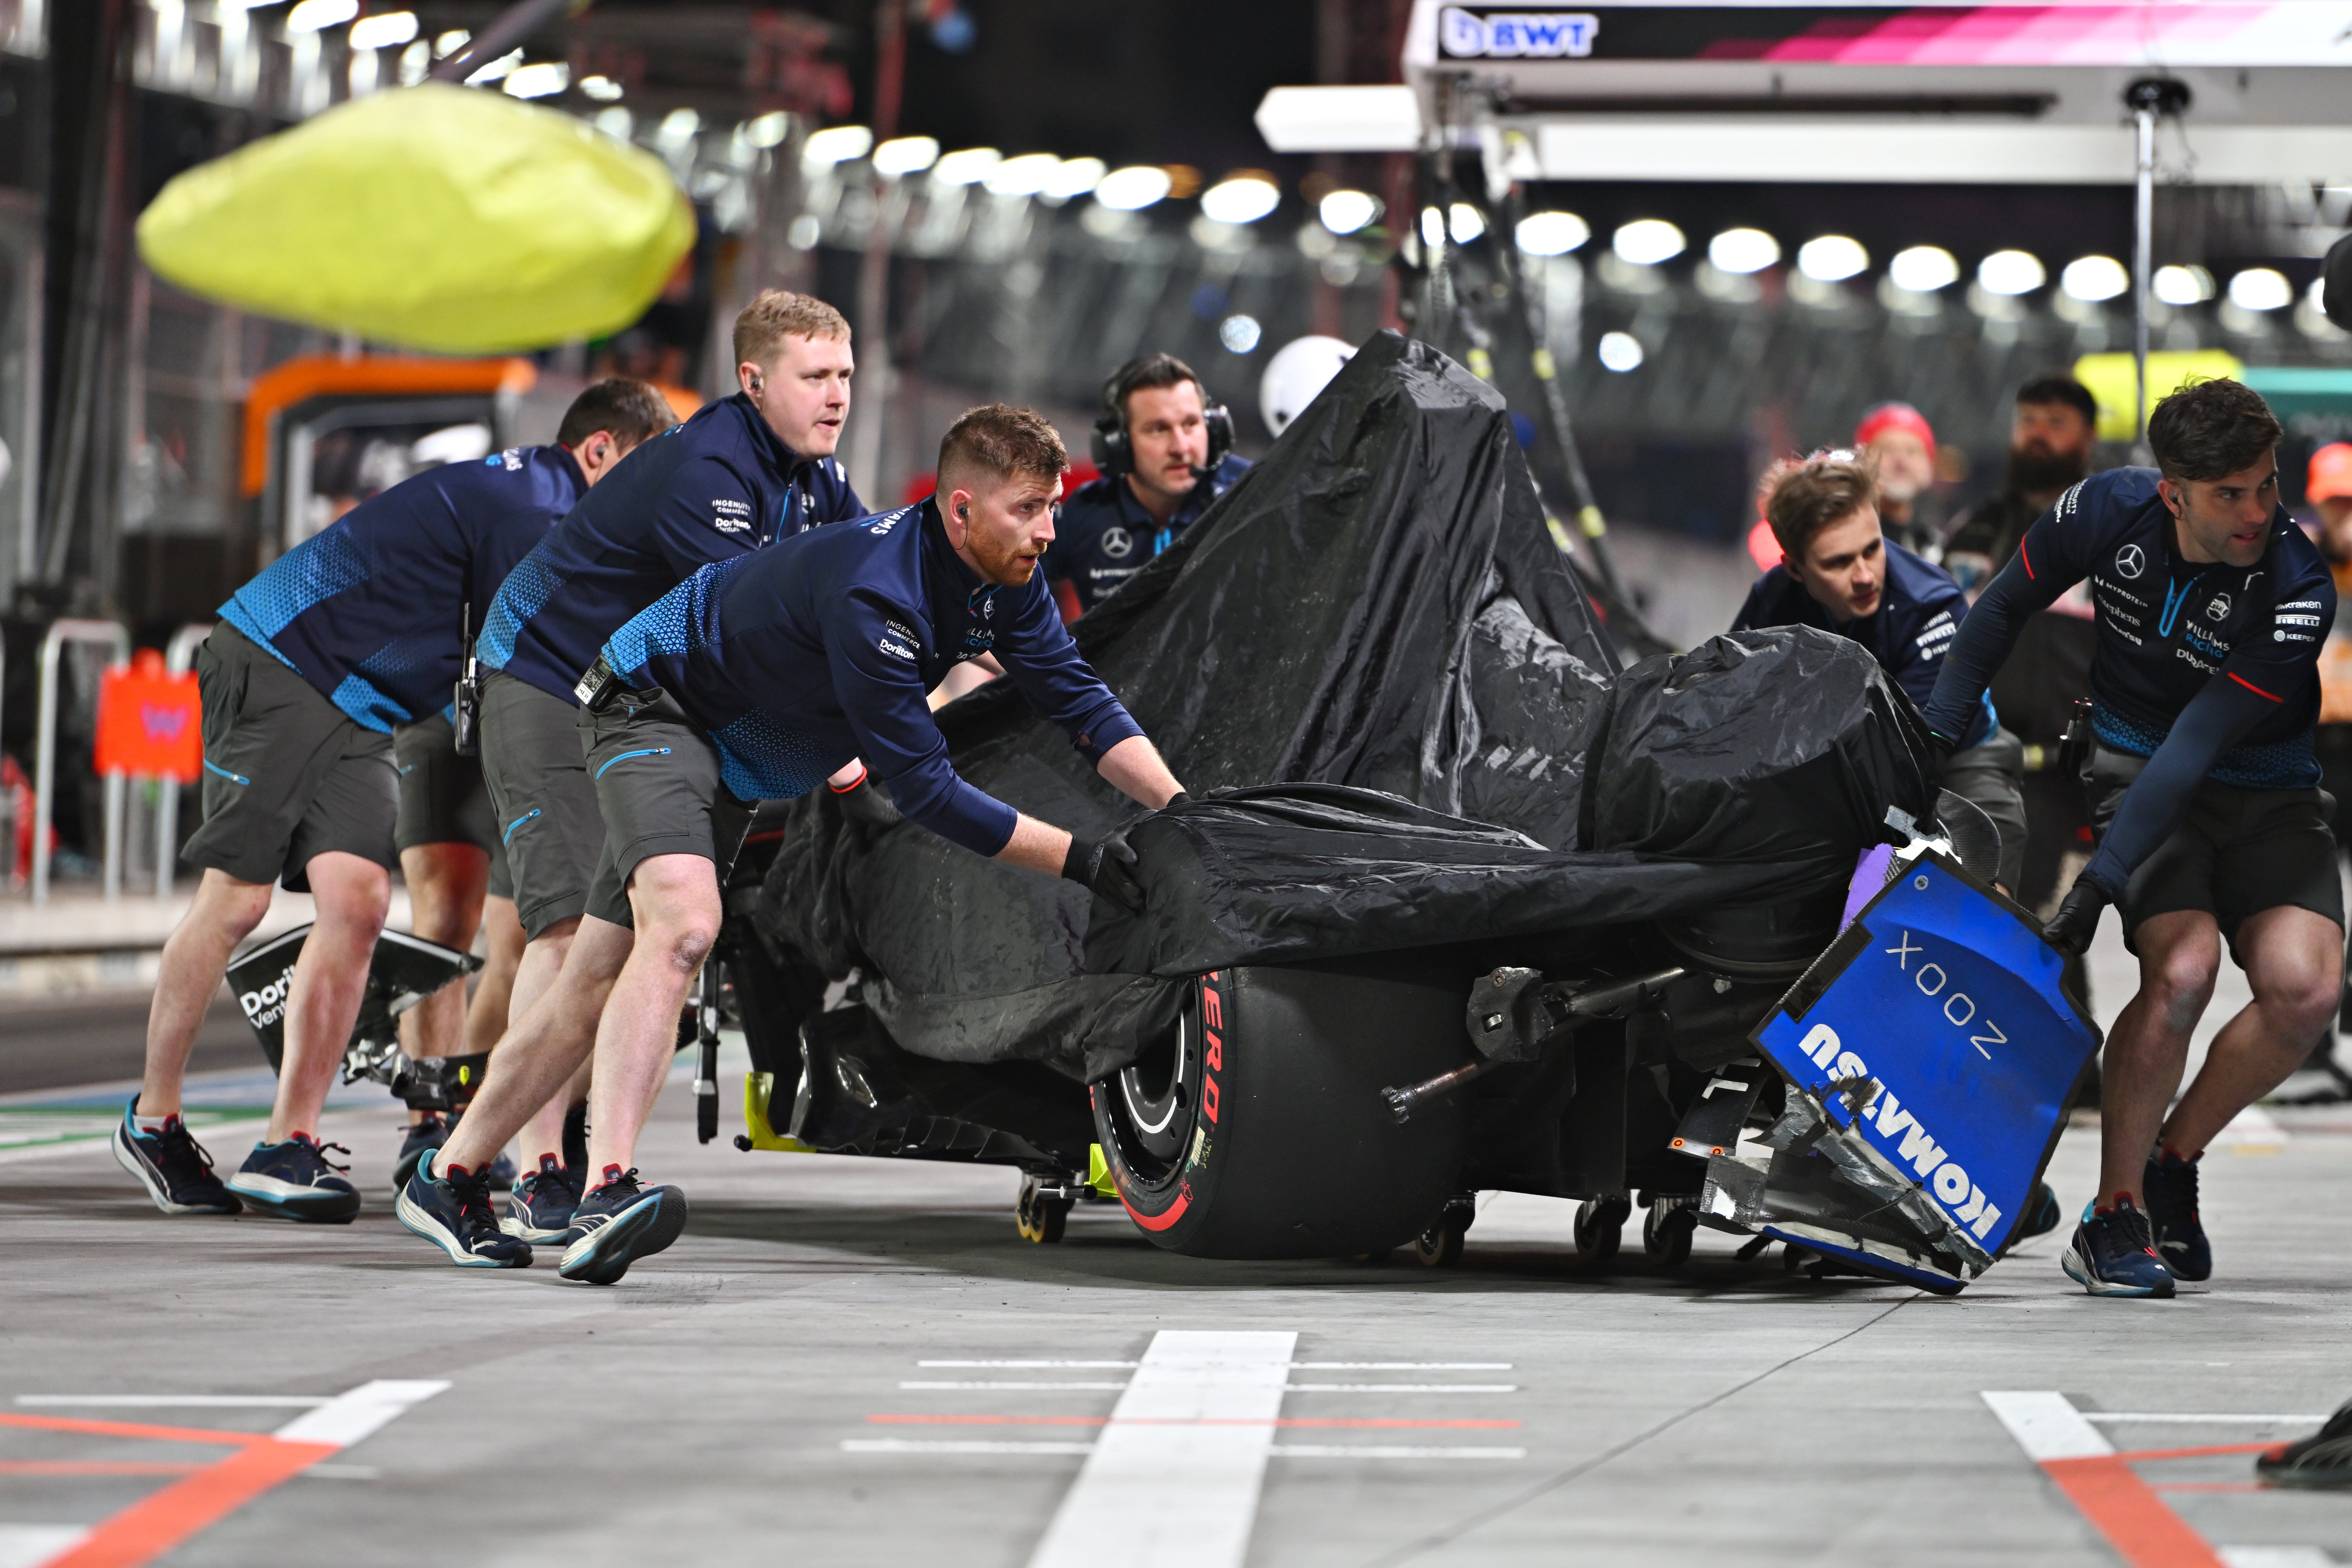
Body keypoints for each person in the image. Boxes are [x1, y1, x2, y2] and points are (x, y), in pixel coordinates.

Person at [399, 404, 1186, 1280]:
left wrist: (1178, 806)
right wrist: (1083, 859)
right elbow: (927, 790)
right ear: (960, 510)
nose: (1048, 530)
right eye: (1028, 509)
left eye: (1053, 507)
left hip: (739, 755)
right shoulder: (877, 591)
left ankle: (448, 1173)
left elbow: (1078, 698)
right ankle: (606, 1190)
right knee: (686, 929)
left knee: (591, 979)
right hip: (655, 707)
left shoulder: (1007, 578)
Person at [111, 377, 674, 1224]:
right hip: (282, 657)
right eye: (641, 478)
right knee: (237, 900)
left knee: (361, 903)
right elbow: (533, 652)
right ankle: (153, 1121)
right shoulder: (537, 506)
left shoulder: (543, 500)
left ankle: (286, 1145)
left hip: (360, 704)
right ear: (600, 451)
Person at [444, 291, 867, 1246]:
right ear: (754, 382)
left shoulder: (814, 477)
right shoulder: (709, 470)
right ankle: (542, 1165)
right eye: (815, 376)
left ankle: (475, 1163)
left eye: (845, 374)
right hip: (548, 673)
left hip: (638, 692)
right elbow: (762, 630)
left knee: (610, 946)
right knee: (557, 928)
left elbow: (870, 580)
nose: (837, 395)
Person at [1924, 377, 2342, 1300]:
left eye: (2265, 487)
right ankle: (2111, 1214)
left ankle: (2171, 1156)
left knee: (2306, 988)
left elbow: (2198, 743)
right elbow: (1996, 611)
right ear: (2171, 493)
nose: (2256, 512)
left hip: (2263, 795)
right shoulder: (2103, 510)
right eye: (2228, 493)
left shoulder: (2295, 585)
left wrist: (2093, 887)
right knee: (2182, 969)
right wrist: (1930, 735)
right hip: (2131, 769)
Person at [1734, 452, 2028, 891]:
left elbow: (1907, 757)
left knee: (1980, 904)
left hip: (1958, 767)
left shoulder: (1933, 606)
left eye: (1873, 549)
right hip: (1832, 773)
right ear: (1795, 568)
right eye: (1838, 563)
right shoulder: (1771, 599)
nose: (1865, 576)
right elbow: (1736, 711)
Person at [1045, 353, 1249, 617]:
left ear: (1214, 428)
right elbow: (993, 594)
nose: (1181, 447)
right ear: (1119, 445)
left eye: (1191, 424)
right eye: (1158, 429)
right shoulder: (1084, 515)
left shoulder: (1248, 496)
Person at [1853, 403, 1942, 559]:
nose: (1901, 462)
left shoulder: (1934, 547)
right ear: (1862, 459)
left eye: (1912, 451)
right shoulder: (1845, 538)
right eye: (1887, 449)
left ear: (1929, 466)